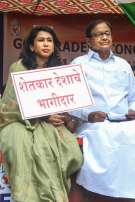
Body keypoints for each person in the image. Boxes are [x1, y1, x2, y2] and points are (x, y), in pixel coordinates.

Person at [70, 19, 135, 202]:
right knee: (103, 139)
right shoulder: (78, 64)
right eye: (98, 34)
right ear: (88, 41)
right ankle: (104, 195)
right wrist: (89, 114)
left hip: (125, 122)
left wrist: (134, 110)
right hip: (94, 124)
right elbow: (72, 101)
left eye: (107, 33)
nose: (104, 37)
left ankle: (130, 196)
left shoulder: (122, 64)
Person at [0, 26, 83, 202]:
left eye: (49, 40)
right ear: (31, 46)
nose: (46, 44)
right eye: (41, 40)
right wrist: (43, 116)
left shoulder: (59, 70)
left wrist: (64, 116)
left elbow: (63, 102)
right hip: (20, 121)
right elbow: (10, 104)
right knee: (23, 147)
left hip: (51, 122)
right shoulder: (19, 67)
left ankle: (53, 193)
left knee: (72, 152)